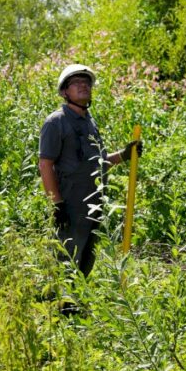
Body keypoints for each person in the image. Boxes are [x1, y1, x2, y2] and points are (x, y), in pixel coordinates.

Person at [39, 64, 140, 297]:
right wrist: (57, 204)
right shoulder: (56, 122)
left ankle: (74, 306)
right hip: (70, 203)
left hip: (94, 202)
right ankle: (56, 309)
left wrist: (124, 155)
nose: (83, 85)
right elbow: (45, 164)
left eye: (87, 82)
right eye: (76, 82)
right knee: (66, 258)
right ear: (65, 92)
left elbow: (98, 162)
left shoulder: (89, 122)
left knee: (86, 258)